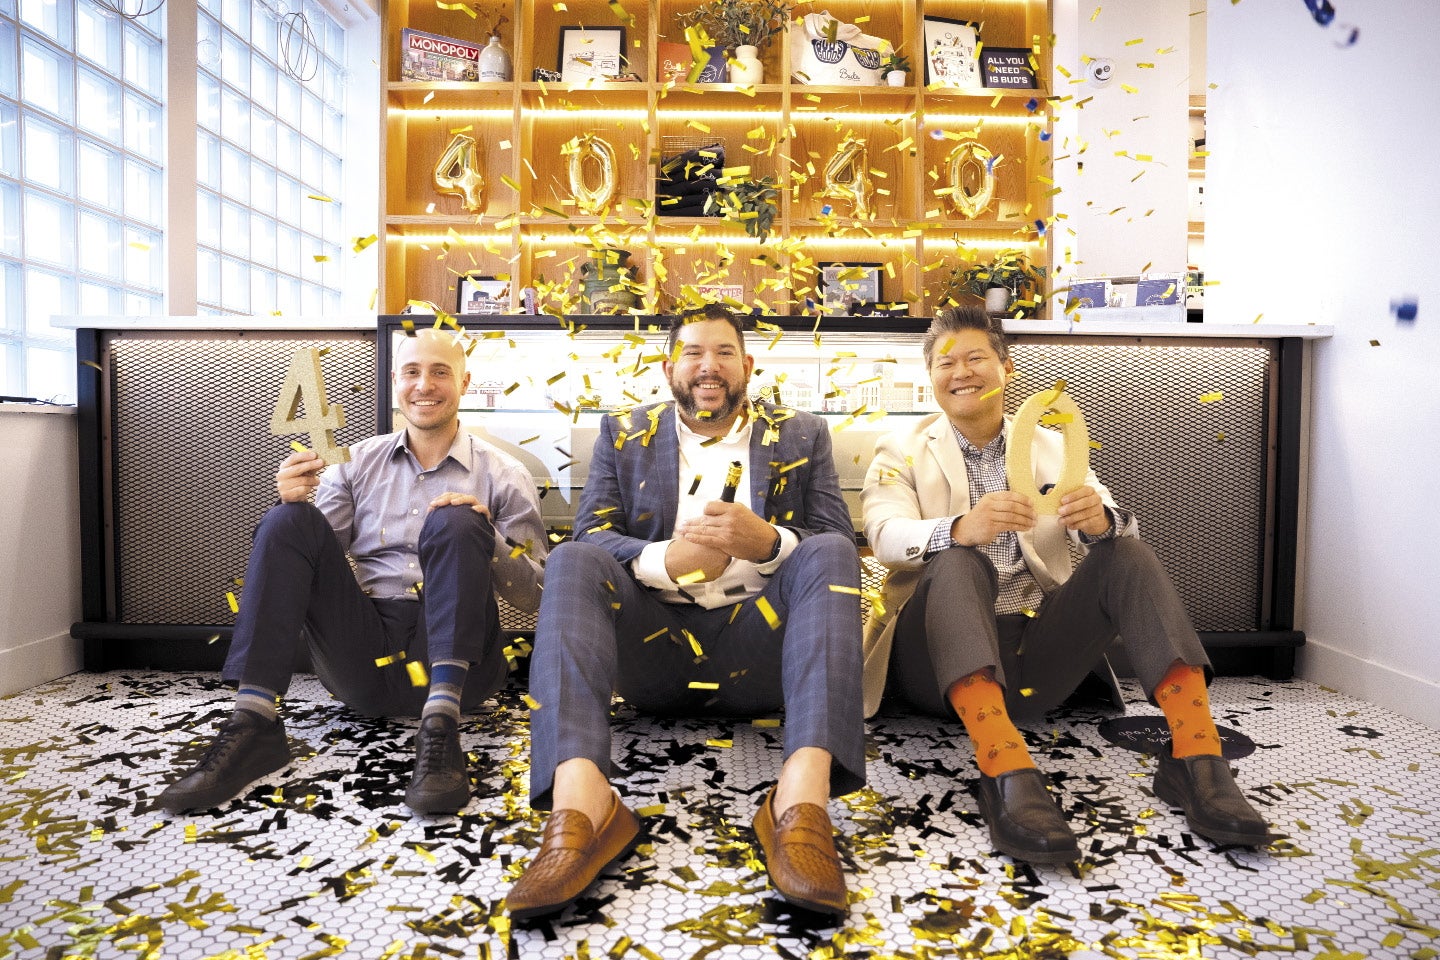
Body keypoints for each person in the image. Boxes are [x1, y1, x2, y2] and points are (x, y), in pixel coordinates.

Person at [859, 305, 1269, 864]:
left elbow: (1123, 525)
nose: (962, 372)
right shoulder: (899, 446)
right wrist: (960, 528)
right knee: (959, 560)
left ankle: (1196, 757)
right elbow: (883, 534)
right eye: (946, 363)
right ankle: (1002, 766)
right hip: (934, 660)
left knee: (1126, 551)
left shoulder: (1053, 445)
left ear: (1006, 368)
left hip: (1037, 657)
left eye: (977, 357)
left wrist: (1102, 521)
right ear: (931, 377)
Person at [506, 305, 865, 921]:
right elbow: (594, 534)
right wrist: (664, 560)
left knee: (829, 549)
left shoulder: (803, 432)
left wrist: (769, 543)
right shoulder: (623, 430)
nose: (709, 366)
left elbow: (835, 534)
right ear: (669, 366)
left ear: (747, 365)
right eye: (694, 352)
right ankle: (583, 805)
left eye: (724, 352)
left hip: (760, 653)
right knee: (571, 560)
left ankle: (801, 802)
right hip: (655, 653)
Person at [158, 329, 547, 816]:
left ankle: (442, 729)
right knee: (286, 519)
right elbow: (307, 549)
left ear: (464, 383)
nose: (424, 384)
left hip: (462, 665)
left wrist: (485, 536)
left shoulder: (504, 473)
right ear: (395, 381)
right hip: (364, 659)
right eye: (412, 372)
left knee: (457, 518)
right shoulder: (356, 463)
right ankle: (253, 722)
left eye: (440, 372)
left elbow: (536, 594)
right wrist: (290, 500)